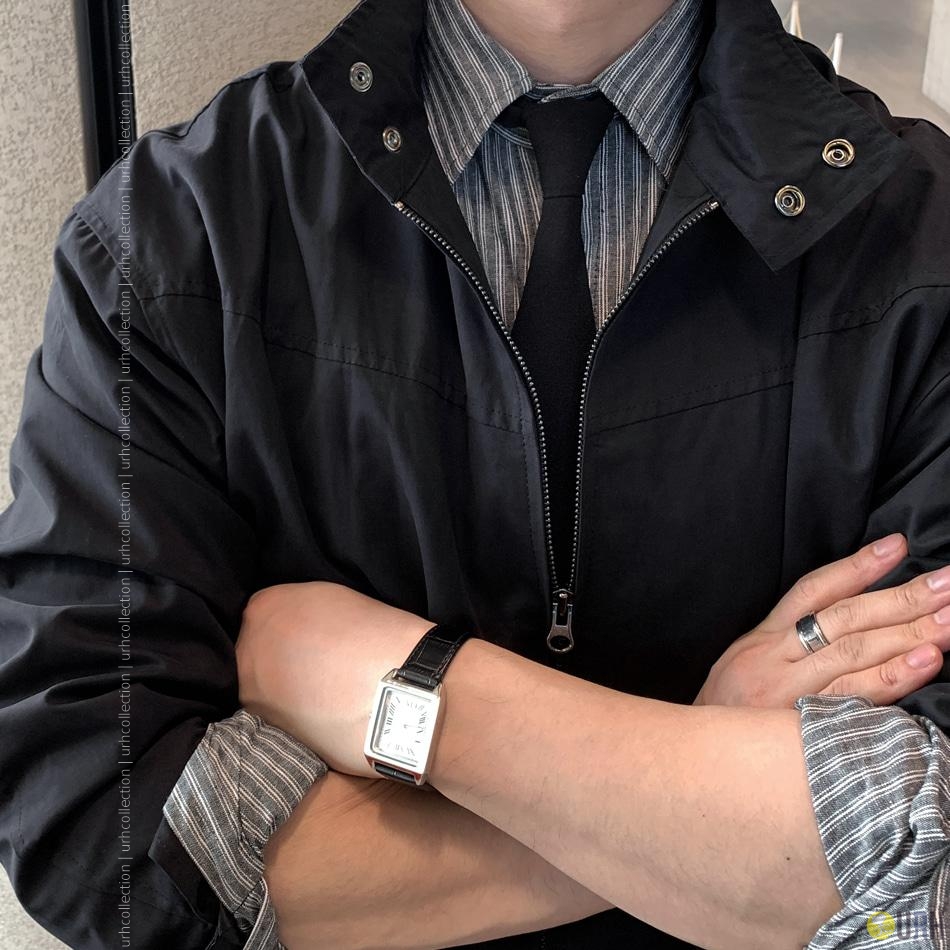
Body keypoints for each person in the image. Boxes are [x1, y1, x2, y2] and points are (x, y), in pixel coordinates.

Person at [0, 0, 947, 946]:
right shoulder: (175, 239)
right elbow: (105, 837)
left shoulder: (926, 240)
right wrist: (704, 782)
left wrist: (418, 696)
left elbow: (930, 868)